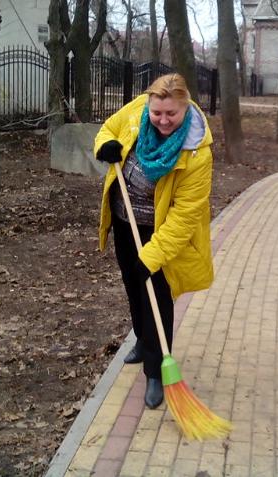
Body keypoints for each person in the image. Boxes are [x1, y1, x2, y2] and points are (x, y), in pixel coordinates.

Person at [93, 74, 214, 408]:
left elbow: (185, 217)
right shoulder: (137, 111)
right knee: (133, 285)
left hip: (161, 232)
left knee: (157, 296)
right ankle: (143, 340)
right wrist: (105, 145)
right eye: (157, 112)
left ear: (185, 108)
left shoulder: (197, 153)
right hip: (124, 220)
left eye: (170, 114)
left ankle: (157, 370)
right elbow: (108, 128)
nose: (162, 120)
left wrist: (153, 255)